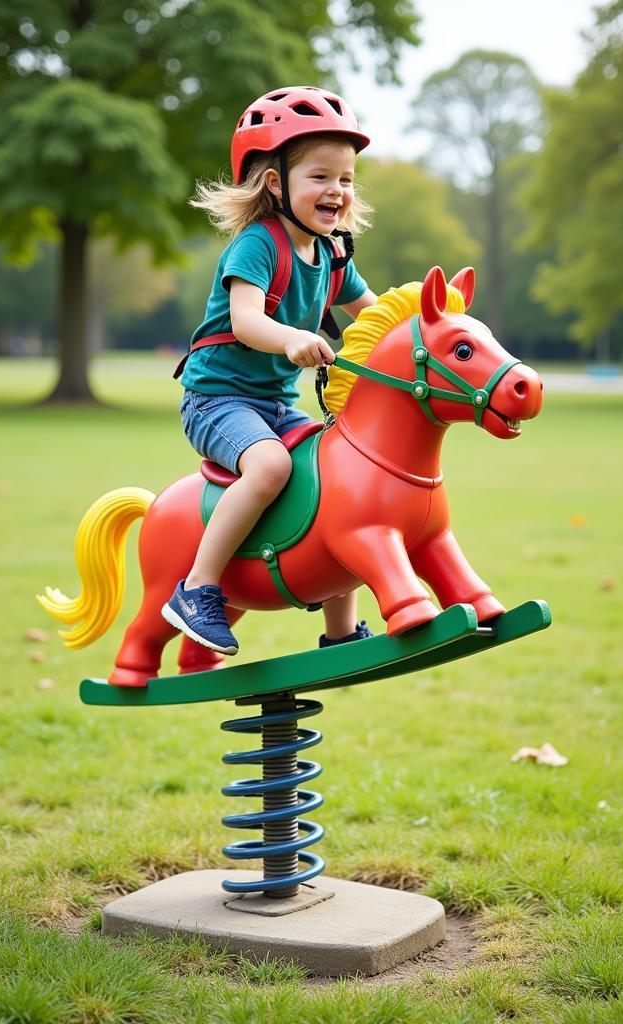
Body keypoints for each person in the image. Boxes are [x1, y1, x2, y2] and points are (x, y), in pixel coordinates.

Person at [162, 86, 379, 656]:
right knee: (268, 467)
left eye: (347, 179)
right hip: (217, 399)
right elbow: (246, 322)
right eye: (320, 176)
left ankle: (339, 635)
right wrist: (296, 340)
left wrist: (429, 325)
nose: (337, 190)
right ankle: (197, 590)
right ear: (276, 182)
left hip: (277, 406)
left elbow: (377, 318)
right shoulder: (258, 244)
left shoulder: (333, 254)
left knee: (342, 476)